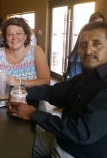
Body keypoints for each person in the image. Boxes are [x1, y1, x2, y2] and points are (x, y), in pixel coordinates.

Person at [7, 21, 107, 158]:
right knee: (15, 145)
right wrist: (21, 92)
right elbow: (54, 92)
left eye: (97, 43)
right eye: (83, 45)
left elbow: (82, 133)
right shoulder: (86, 77)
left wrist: (33, 114)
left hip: (77, 153)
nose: (88, 50)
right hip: (60, 140)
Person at [0, 17, 50, 89]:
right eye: (10, 34)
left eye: (18, 33)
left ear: (25, 36)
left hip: (32, 99)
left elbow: (46, 81)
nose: (14, 37)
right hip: (5, 99)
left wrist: (19, 82)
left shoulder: (36, 51)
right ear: (5, 38)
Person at [64, 12, 105, 80]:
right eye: (95, 22)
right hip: (77, 60)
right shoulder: (85, 31)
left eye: (101, 22)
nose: (97, 25)